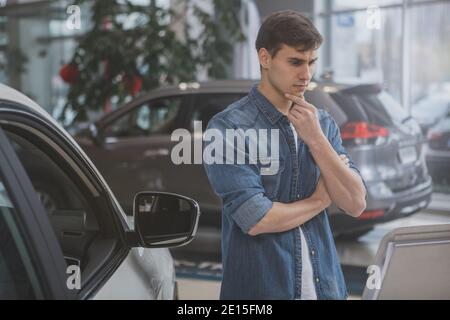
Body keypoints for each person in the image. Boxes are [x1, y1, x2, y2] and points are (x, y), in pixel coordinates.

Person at [203, 10, 367, 300]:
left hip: (325, 289)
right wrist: (320, 199)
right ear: (265, 58)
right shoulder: (229, 128)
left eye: (311, 62)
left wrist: (316, 140)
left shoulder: (322, 124)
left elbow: (354, 203)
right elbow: (256, 219)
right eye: (295, 62)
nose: (306, 75)